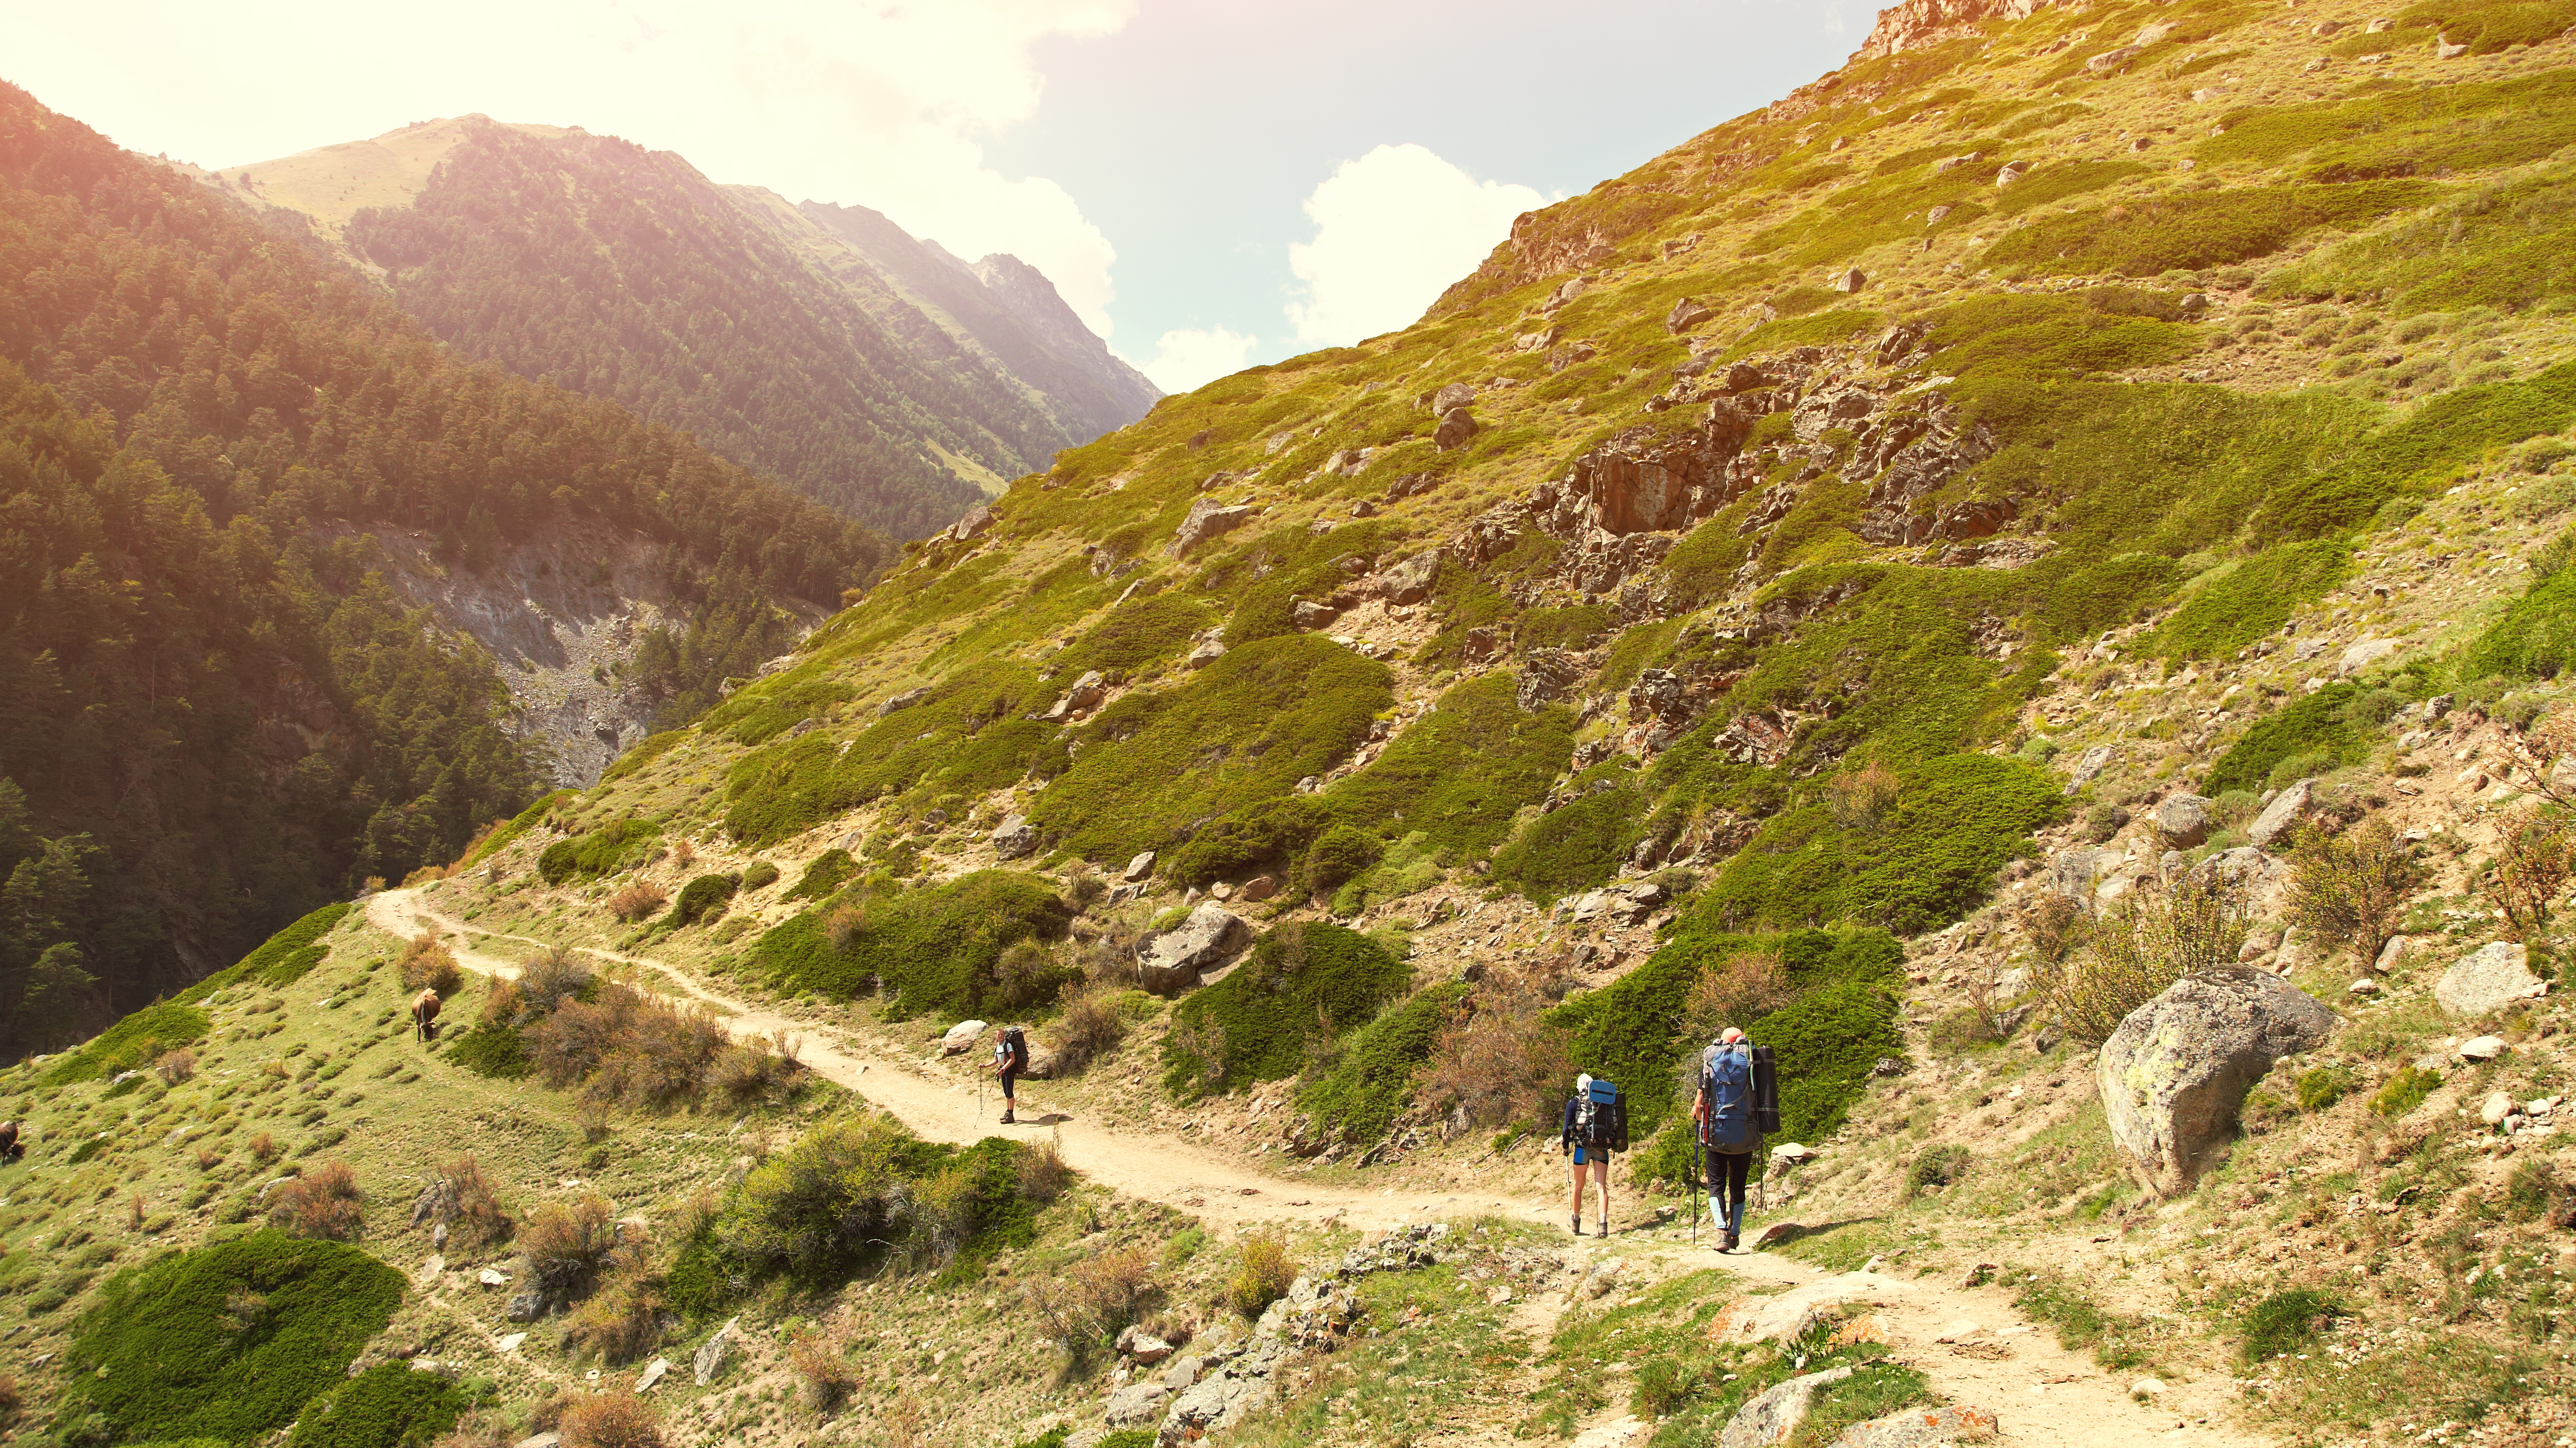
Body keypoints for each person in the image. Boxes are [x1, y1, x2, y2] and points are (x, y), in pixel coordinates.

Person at [1695, 1028, 1757, 1252]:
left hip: (1716, 1133)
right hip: (1745, 1133)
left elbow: (1701, 1100)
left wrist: (1700, 1119)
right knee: (1738, 1186)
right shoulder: (1750, 1058)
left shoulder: (1712, 1058)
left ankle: (1721, 1231)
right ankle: (1736, 1232)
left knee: (1716, 1185)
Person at [1559, 1072, 1624, 1237]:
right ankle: (1603, 1225)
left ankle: (1576, 1222)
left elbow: (1567, 1129)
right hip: (1602, 1147)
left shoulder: (1574, 1103)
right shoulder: (1605, 1102)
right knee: (1601, 1186)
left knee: (1578, 1185)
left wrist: (1566, 1147)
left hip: (1582, 1148)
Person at [991, 1024, 1030, 1125]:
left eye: (1002, 1034)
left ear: (1004, 1035)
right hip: (1003, 1070)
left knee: (1009, 1092)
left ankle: (1011, 1115)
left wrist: (1004, 1069)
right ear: (996, 1036)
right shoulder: (998, 1046)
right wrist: (984, 1066)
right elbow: (996, 1060)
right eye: (998, 1035)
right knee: (1006, 1092)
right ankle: (1008, 1112)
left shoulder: (1008, 1045)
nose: (1000, 1036)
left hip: (1009, 1070)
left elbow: (1013, 1060)